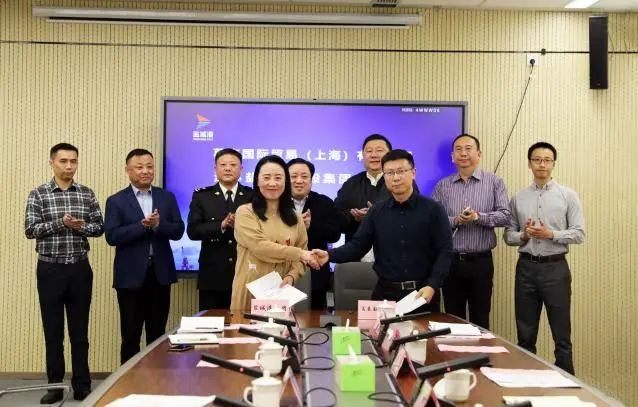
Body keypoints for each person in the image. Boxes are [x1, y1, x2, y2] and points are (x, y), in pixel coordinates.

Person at [314, 149, 452, 310]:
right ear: (384, 176)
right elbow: (357, 246)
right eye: (390, 173)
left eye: (401, 171)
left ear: (413, 173)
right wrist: (329, 255)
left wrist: (433, 284)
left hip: (422, 294)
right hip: (386, 293)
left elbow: (445, 250)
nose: (396, 178)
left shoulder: (433, 209)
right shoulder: (377, 212)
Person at [25, 143, 104, 404]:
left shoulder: (87, 193)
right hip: (50, 269)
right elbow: (30, 229)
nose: (69, 166)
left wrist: (81, 226)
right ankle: (55, 387)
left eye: (73, 161)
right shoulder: (39, 194)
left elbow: (99, 227)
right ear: (52, 162)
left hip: (80, 268)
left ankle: (82, 385)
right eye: (63, 161)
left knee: (79, 334)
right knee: (53, 333)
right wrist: (61, 223)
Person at [504, 142, 585, 374]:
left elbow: (579, 234)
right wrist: (524, 235)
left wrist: (551, 234)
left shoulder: (568, 195)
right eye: (537, 160)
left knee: (562, 335)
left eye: (547, 160)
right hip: (526, 269)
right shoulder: (518, 198)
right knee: (525, 335)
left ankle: (568, 387)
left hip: (555, 269)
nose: (542, 164)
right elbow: (508, 236)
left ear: (553, 164)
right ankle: (527, 384)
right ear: (529, 164)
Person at [104, 149, 185, 364]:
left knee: (157, 335)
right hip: (130, 277)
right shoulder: (116, 201)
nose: (146, 171)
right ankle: (128, 380)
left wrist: (158, 225)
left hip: (160, 275)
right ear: (128, 170)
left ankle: (156, 379)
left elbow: (178, 230)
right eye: (139, 167)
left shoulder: (166, 197)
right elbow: (112, 236)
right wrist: (142, 226)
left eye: (149, 166)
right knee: (130, 335)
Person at [432, 134, 510, 329]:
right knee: (452, 319)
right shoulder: (442, 185)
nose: (463, 153)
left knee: (480, 318)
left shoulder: (494, 182)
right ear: (452, 157)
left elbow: (505, 216)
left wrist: (478, 217)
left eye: (468, 148)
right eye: (458, 149)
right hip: (451, 262)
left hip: (481, 262)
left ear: (479, 154)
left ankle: (480, 351)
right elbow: (433, 221)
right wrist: (456, 220)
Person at [230, 155, 320, 310]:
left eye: (278, 178)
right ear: (257, 181)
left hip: (281, 295)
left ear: (285, 182)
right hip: (249, 293)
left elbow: (302, 257)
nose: (272, 183)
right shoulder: (245, 212)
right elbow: (260, 247)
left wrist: (291, 276)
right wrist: (300, 254)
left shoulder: (295, 217)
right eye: (266, 178)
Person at [187, 148, 252, 310]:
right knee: (211, 322)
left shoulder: (252, 196)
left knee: (243, 321)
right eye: (223, 165)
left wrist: (240, 226)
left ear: (241, 169)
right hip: (213, 275)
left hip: (245, 273)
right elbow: (193, 231)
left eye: (233, 165)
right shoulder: (202, 196)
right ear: (215, 168)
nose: (228, 168)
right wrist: (221, 225)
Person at [287, 158, 341, 310]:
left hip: (315, 273)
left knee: (314, 318)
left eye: (304, 176)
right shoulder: (276, 203)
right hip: (283, 270)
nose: (299, 181)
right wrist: (295, 227)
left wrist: (311, 226)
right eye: (293, 176)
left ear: (311, 179)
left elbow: (335, 235)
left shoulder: (324, 202)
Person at [334, 134, 393, 243]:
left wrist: (377, 215)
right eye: (369, 151)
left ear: (389, 155)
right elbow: (335, 217)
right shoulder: (351, 183)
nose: (374, 155)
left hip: (391, 248)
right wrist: (354, 217)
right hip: (356, 249)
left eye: (379, 150)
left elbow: (411, 215)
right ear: (363, 155)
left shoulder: (400, 181)